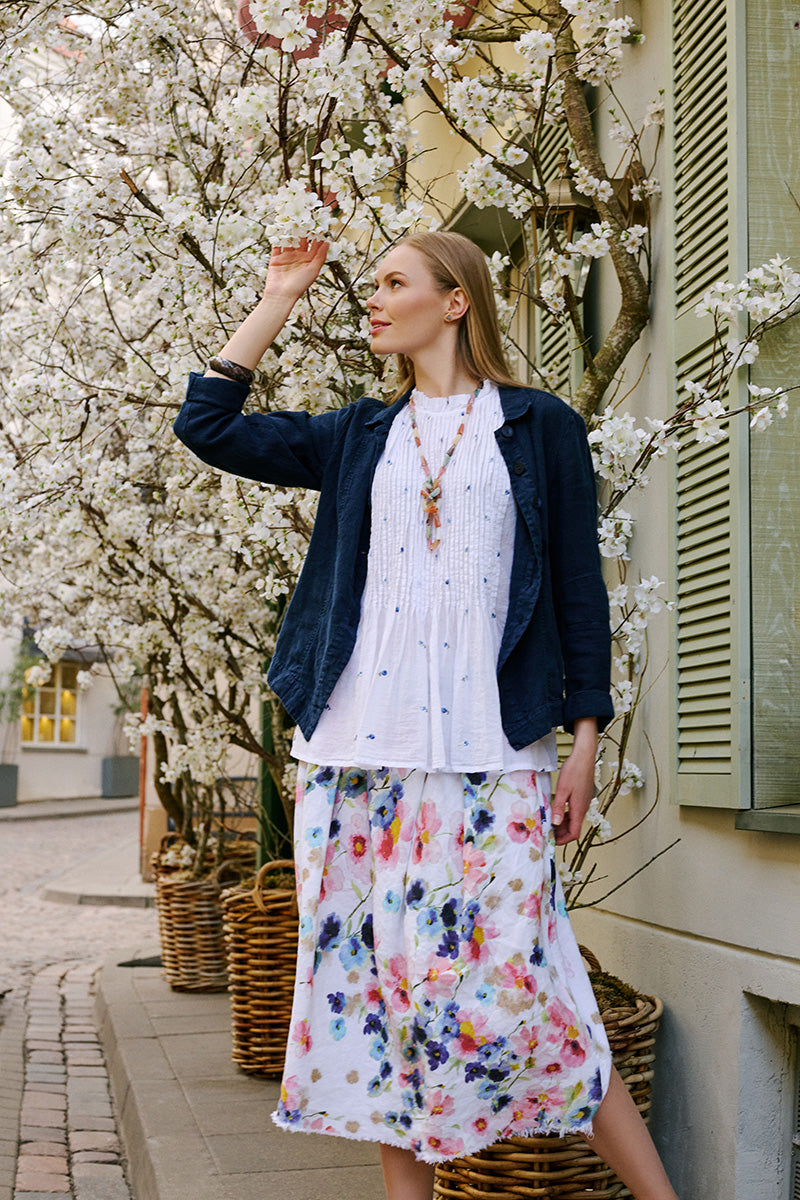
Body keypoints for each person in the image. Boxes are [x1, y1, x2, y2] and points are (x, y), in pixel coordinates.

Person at [173, 231, 679, 1200]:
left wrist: (582, 745)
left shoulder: (539, 431)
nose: (373, 299)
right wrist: (278, 296)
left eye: (392, 283)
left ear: (454, 302)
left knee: (533, 985)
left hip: (498, 760)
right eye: (370, 286)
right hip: (356, 758)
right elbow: (209, 426)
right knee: (376, 1001)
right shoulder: (356, 437)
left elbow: (580, 596)